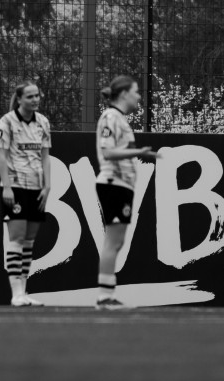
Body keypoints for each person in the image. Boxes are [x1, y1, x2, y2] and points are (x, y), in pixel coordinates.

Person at [95, 75, 159, 310]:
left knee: (117, 241)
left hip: (122, 185)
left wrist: (139, 153)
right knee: (113, 241)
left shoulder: (119, 118)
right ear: (123, 94)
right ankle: (104, 297)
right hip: (113, 183)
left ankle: (107, 295)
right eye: (136, 91)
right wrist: (138, 152)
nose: (139, 96)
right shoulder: (111, 117)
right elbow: (108, 152)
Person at [0, 81, 51, 306]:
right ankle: (15, 293)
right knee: (17, 239)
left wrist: (48, 186)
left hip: (37, 186)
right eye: (30, 96)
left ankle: (24, 292)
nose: (35, 100)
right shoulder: (7, 121)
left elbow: (45, 156)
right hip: (16, 185)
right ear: (19, 99)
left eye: (37, 95)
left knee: (29, 241)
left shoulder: (43, 122)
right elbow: (1, 155)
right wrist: (7, 186)